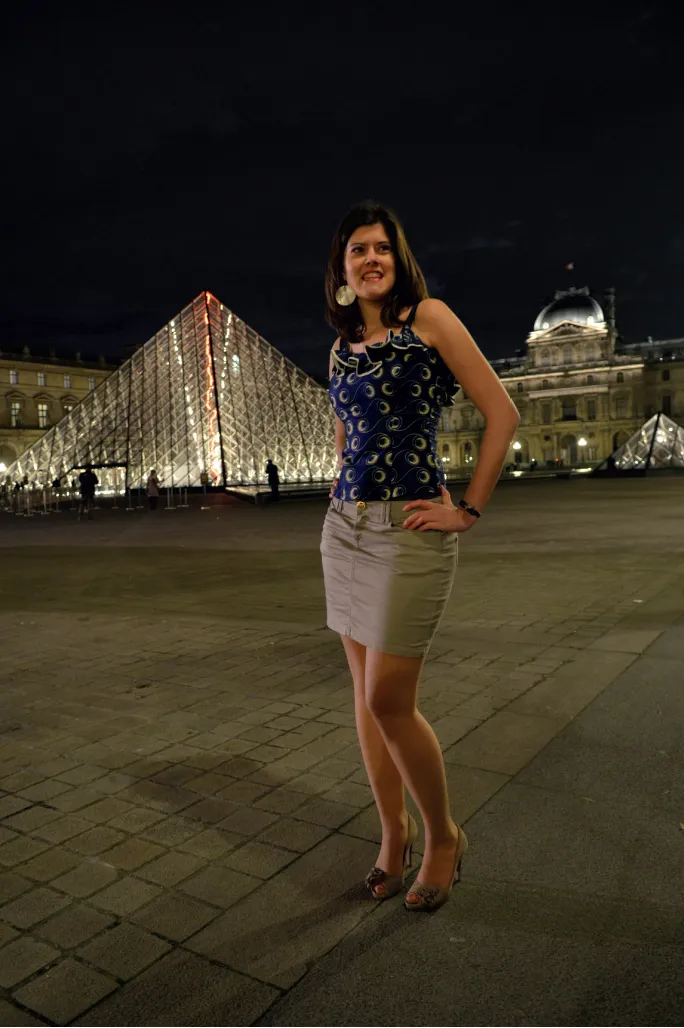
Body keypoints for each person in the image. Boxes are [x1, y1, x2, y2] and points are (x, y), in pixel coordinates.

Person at [320, 202, 519, 912]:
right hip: (344, 529)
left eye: (381, 248)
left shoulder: (428, 319)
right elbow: (346, 437)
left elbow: (503, 413)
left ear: (397, 259)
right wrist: (342, 496)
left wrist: (468, 509)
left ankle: (442, 835)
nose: (370, 259)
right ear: (342, 270)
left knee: (387, 699)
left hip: (409, 531)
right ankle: (392, 833)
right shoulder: (340, 347)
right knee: (363, 699)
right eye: (357, 250)